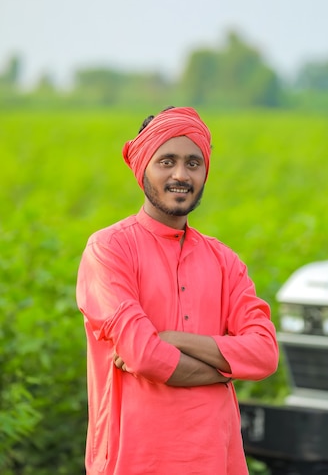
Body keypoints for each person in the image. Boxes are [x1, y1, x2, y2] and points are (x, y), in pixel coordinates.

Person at [76, 106, 279, 475]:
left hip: (217, 460)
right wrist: (227, 370)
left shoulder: (224, 260)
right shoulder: (109, 250)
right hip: (133, 460)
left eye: (193, 163)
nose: (181, 175)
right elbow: (145, 355)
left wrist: (174, 339)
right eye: (166, 161)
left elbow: (265, 353)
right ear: (143, 170)